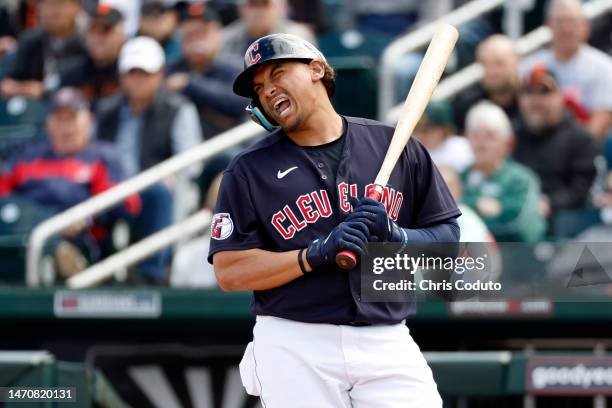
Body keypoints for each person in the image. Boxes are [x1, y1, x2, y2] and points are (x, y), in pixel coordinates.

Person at [209, 33, 460, 407]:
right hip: (295, 340)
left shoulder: (394, 145)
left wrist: (397, 236)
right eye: (260, 87)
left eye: (278, 74)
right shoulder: (248, 170)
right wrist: (313, 255)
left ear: (317, 70)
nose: (268, 90)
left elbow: (449, 245)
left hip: (385, 336)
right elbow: (230, 272)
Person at [0, 87, 140, 277]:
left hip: (79, 238)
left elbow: (127, 204)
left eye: (72, 118)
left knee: (62, 249)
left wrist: (85, 217)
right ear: (48, 124)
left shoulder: (103, 156)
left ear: (89, 121)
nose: (65, 127)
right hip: (24, 234)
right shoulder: (26, 157)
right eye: (59, 119)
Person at [96, 36, 203, 284]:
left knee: (159, 193)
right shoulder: (106, 110)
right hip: (111, 185)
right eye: (132, 73)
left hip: (152, 186)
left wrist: (169, 175)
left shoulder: (178, 108)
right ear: (122, 76)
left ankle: (152, 274)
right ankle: (93, 262)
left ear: (159, 75)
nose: (138, 80)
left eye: (145, 73)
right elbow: (94, 152)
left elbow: (191, 161)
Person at [514, 65, 599, 218]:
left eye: (544, 92)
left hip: (567, 223)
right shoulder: (513, 134)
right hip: (518, 215)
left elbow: (582, 190)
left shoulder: (580, 138)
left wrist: (550, 203)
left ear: (560, 97)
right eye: (529, 92)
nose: (536, 100)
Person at [520, 0, 612, 140]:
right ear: (548, 24)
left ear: (584, 26)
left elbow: (600, 123)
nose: (566, 28)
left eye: (571, 21)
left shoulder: (604, 67)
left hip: (582, 148)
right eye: (560, 21)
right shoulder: (529, 67)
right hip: (537, 143)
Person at [461, 101, 546, 242]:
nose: (481, 143)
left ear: (507, 142)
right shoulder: (457, 178)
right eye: (475, 135)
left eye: (490, 136)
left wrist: (468, 215)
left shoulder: (521, 179)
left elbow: (521, 226)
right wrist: (477, 204)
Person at [166, 2, 247, 137]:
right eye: (189, 34)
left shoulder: (234, 66)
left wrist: (190, 83)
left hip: (225, 144)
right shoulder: (171, 69)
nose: (195, 40)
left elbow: (242, 103)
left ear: (217, 34)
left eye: (201, 33)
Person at [0, 0, 85, 99]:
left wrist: (44, 89)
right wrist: (29, 89)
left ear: (77, 7)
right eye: (46, 4)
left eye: (60, 4)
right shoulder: (30, 41)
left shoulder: (87, 43)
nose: (53, 10)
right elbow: (7, 84)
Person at [453, 35, 521, 133]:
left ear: (517, 62)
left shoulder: (535, 99)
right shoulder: (467, 106)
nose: (492, 71)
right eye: (485, 64)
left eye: (499, 63)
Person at [59, 4, 124, 105]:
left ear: (120, 35)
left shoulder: (132, 71)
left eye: (105, 30)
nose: (97, 37)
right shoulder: (72, 72)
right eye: (93, 29)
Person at [221, 0, 316, 63]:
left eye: (265, 5)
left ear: (279, 9)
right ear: (241, 10)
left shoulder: (298, 37)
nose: (258, 12)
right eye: (253, 5)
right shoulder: (224, 38)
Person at [414, 100, 473, 173]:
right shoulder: (414, 154)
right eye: (416, 129)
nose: (419, 134)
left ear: (442, 129)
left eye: (425, 130)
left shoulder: (463, 147)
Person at [138, 0, 182, 66]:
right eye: (149, 13)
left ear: (173, 18)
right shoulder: (130, 47)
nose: (155, 21)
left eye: (161, 13)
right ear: (141, 21)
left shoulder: (183, 48)